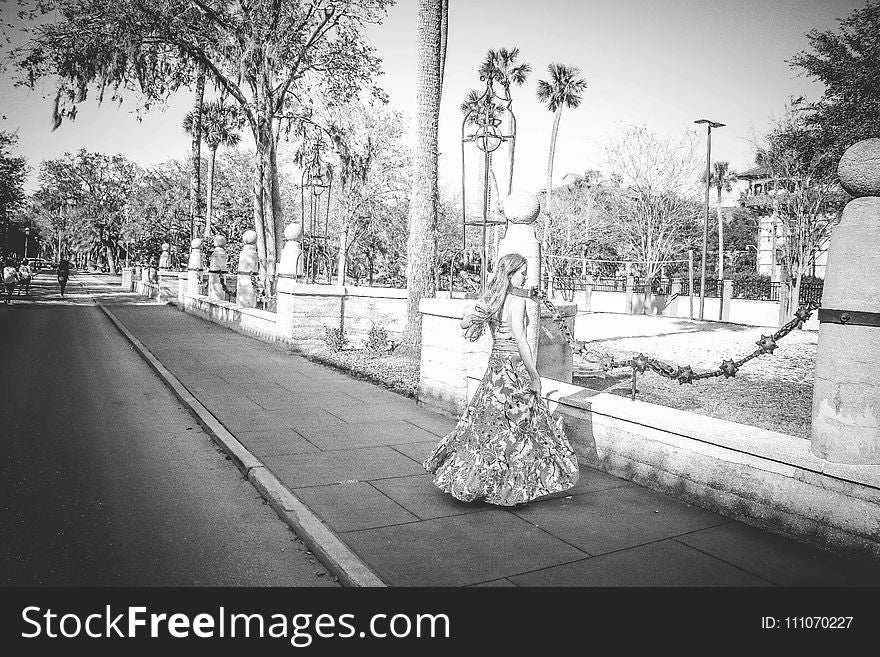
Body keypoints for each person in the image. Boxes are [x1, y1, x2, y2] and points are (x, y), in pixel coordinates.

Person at [423, 252, 579, 506]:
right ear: (509, 274)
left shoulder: (492, 299)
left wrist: (472, 314)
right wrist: (534, 375)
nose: (525, 277)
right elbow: (521, 341)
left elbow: (464, 324)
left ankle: (477, 481)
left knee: (486, 426)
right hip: (511, 370)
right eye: (522, 273)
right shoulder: (516, 303)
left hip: (495, 368)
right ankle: (508, 488)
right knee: (517, 429)